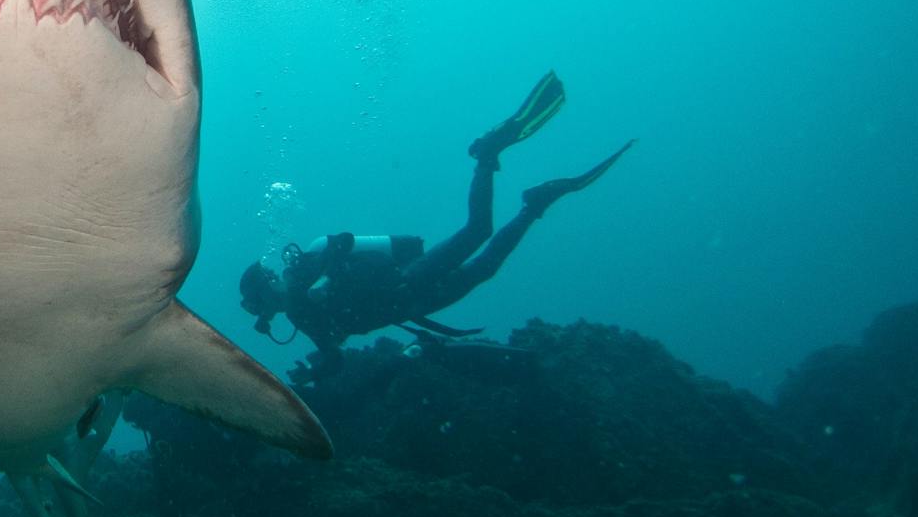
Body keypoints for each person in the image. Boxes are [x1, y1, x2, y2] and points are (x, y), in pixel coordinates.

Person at [239, 72, 631, 372]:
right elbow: (333, 352)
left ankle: (487, 154)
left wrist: (325, 283)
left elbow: (340, 242)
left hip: (407, 278)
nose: (263, 308)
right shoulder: (301, 318)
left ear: (266, 285)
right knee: (484, 269)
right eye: (259, 306)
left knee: (477, 231)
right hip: (411, 304)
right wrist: (319, 372)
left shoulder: (304, 268)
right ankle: (534, 205)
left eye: (258, 299)